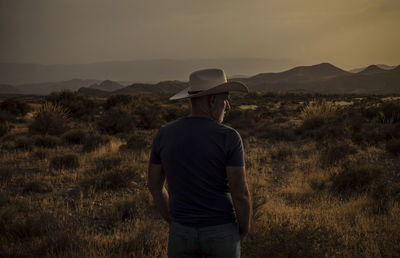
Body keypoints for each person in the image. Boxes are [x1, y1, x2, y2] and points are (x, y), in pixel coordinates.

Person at [147, 68, 251, 258]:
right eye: (225, 99)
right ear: (212, 100)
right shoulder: (229, 137)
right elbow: (240, 193)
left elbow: (154, 185)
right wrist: (243, 229)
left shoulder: (164, 134)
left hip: (180, 232)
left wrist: (174, 221)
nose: (228, 107)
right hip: (221, 231)